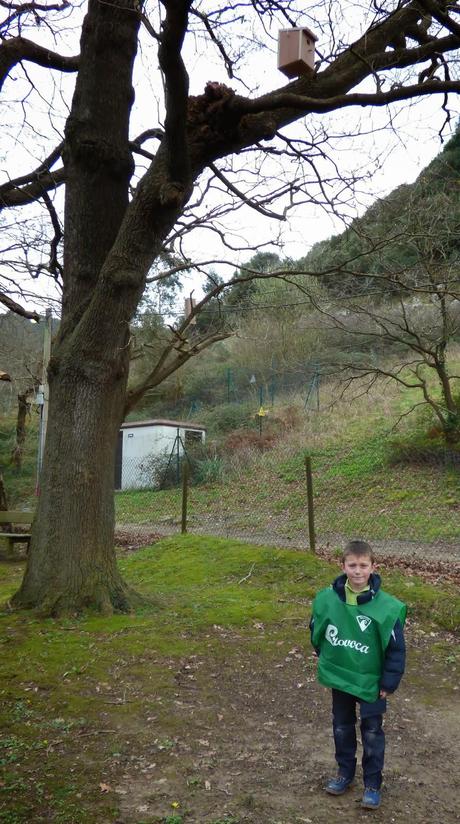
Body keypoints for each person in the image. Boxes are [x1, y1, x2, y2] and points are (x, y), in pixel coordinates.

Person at [310, 539, 406, 810]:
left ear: (373, 568)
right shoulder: (328, 599)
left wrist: (389, 681)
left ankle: (373, 784)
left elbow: (396, 648)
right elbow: (317, 631)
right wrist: (331, 660)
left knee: (372, 731)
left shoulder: (387, 608)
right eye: (352, 565)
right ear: (343, 566)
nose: (357, 571)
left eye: (363, 565)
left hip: (372, 683)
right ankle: (344, 774)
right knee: (341, 726)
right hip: (341, 677)